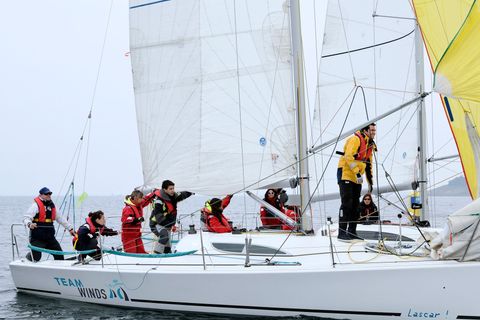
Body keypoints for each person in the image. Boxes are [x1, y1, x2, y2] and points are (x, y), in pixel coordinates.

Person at [337, 123, 376, 241]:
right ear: (365, 130)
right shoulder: (355, 139)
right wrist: (357, 173)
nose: (374, 132)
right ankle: (341, 233)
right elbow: (348, 156)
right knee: (346, 203)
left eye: (375, 130)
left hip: (357, 177)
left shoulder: (370, 145)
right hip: (345, 174)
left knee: (355, 205)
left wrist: (370, 182)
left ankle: (352, 232)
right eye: (372, 130)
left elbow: (369, 165)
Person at [23, 187, 75, 261]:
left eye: (50, 194)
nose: (49, 195)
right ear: (40, 195)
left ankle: (59, 271)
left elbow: (61, 219)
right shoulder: (35, 206)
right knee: (36, 257)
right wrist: (29, 224)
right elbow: (26, 218)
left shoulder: (53, 207)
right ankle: (26, 260)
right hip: (37, 238)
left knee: (59, 255)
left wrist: (70, 228)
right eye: (46, 194)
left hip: (50, 238)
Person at [149, 180, 193, 254]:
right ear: (164, 189)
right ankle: (156, 255)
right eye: (170, 189)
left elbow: (182, 194)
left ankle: (167, 256)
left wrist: (191, 192)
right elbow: (158, 216)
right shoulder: (158, 201)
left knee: (167, 245)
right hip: (157, 224)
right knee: (164, 237)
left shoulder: (174, 196)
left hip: (168, 225)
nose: (173, 190)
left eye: (173, 188)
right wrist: (170, 225)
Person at [121, 189, 155, 254]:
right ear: (135, 198)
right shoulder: (127, 208)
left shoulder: (138, 204)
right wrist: (136, 219)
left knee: (141, 251)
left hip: (137, 234)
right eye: (140, 198)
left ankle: (144, 261)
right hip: (129, 235)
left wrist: (153, 194)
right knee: (131, 252)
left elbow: (145, 199)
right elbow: (125, 219)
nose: (142, 200)